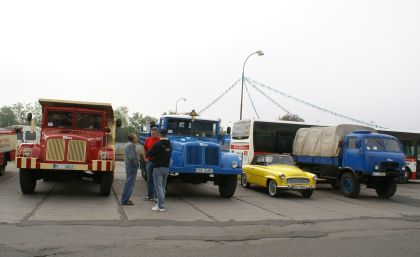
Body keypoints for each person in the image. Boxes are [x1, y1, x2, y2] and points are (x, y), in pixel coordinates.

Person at [147, 128, 172, 212]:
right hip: (166, 168)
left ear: (160, 134)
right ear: (167, 134)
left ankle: (161, 206)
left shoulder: (157, 144)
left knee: (158, 188)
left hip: (158, 168)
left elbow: (149, 153)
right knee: (163, 188)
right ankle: (158, 204)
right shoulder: (170, 144)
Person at [142, 127, 160, 201]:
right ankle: (150, 196)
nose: (152, 134)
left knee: (157, 180)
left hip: (157, 163)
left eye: (154, 133)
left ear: (157, 133)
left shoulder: (160, 141)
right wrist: (145, 158)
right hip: (149, 162)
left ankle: (157, 197)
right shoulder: (147, 140)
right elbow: (144, 149)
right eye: (151, 133)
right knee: (149, 179)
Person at [121, 133, 139, 205]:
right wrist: (136, 165)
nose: (136, 139)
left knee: (128, 183)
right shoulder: (131, 145)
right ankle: (125, 200)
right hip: (131, 167)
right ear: (133, 139)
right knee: (130, 184)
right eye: (135, 137)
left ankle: (125, 199)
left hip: (129, 166)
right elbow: (131, 157)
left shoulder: (128, 144)